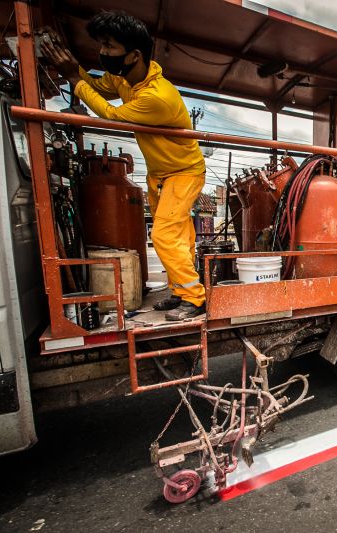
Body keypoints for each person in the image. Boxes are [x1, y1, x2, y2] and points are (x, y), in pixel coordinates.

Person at [42, 11, 207, 320]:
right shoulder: (122, 79)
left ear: (134, 55)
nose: (103, 53)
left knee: (164, 235)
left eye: (109, 46)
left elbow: (108, 113)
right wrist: (74, 73)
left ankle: (196, 299)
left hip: (185, 172)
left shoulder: (158, 97)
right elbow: (98, 89)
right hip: (160, 173)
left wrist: (73, 76)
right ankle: (180, 290)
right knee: (179, 235)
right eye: (102, 45)